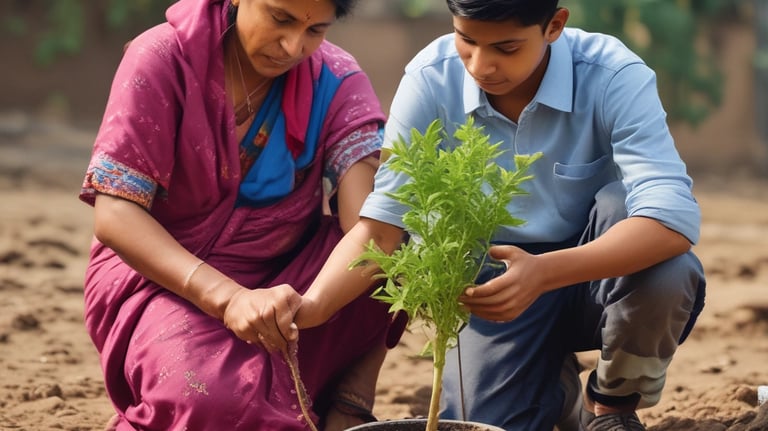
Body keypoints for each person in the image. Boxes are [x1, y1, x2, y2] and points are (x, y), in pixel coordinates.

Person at [260, 1, 707, 430]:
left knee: (656, 254)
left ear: (554, 26)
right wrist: (313, 305)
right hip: (489, 287)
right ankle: (556, 390)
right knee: (483, 421)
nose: (480, 65)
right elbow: (384, 223)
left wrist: (543, 272)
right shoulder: (431, 79)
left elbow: (671, 218)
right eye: (465, 40)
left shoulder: (612, 74)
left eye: (506, 48)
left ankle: (611, 403)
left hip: (597, 271)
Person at [78, 0, 397, 429]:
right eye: (280, 19)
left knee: (404, 226)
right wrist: (231, 298)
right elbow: (116, 214)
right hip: (165, 278)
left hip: (288, 280)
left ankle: (349, 402)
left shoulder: (335, 79)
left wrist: (315, 306)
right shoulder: (162, 59)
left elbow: (369, 226)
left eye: (315, 31)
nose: (291, 46)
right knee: (209, 399)